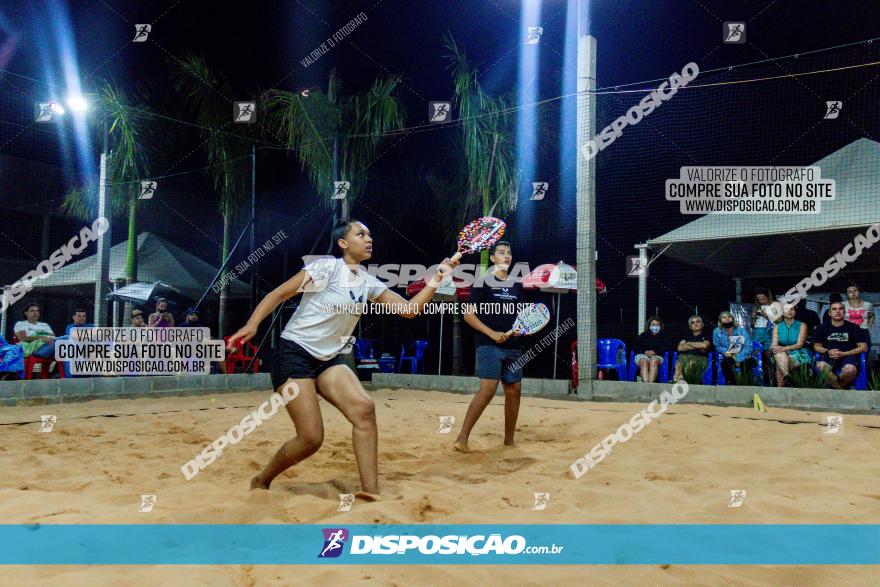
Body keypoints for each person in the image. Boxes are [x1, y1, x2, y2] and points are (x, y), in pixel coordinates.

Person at [227, 218, 458, 495]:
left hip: (329, 359)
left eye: (370, 234)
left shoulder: (368, 282)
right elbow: (279, 293)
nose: (369, 239)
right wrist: (252, 325)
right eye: (361, 234)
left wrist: (437, 277)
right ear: (343, 243)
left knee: (364, 409)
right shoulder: (326, 267)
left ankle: (371, 493)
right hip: (295, 353)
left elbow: (409, 310)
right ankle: (262, 479)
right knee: (311, 438)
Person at [455, 241, 532, 452]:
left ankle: (509, 440)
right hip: (488, 345)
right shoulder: (483, 283)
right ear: (492, 259)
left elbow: (521, 316)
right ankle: (462, 438)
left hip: (513, 346)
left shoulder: (516, 285)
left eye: (509, 252)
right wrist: (491, 333)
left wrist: (519, 329)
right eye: (501, 252)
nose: (506, 256)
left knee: (514, 390)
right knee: (488, 390)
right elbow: (468, 315)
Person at [813, 301, 868, 389]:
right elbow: (816, 346)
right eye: (834, 309)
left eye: (840, 309)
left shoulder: (854, 327)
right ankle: (841, 388)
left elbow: (863, 347)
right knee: (820, 366)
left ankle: (835, 387)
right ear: (829, 313)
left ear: (845, 312)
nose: (838, 311)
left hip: (848, 356)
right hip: (828, 356)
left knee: (850, 370)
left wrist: (845, 354)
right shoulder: (822, 327)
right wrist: (828, 351)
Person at [769, 303, 811, 387]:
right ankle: (788, 376)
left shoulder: (802, 325)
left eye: (792, 309)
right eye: (786, 309)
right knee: (778, 354)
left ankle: (781, 389)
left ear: (795, 311)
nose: (789, 311)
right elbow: (774, 344)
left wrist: (783, 348)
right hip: (782, 354)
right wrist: (773, 348)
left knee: (779, 366)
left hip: (799, 353)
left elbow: (799, 344)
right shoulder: (777, 327)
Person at [713, 310, 755, 384]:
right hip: (729, 357)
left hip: (743, 356)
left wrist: (738, 359)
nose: (727, 319)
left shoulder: (741, 330)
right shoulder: (717, 331)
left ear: (732, 319)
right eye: (724, 317)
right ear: (720, 320)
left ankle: (746, 385)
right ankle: (733, 385)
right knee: (725, 364)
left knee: (748, 364)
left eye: (729, 317)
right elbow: (717, 346)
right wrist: (725, 351)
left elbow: (749, 346)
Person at [751, 288, 783, 383]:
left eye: (763, 299)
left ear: (768, 297)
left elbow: (781, 320)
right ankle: (759, 379)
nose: (761, 301)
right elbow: (752, 325)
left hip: (769, 332)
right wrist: (753, 318)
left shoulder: (775, 306)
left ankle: (772, 380)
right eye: (759, 299)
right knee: (756, 356)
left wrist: (768, 316)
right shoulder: (756, 307)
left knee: (769, 356)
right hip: (758, 332)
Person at [631, 316, 674, 383]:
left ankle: (650, 387)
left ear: (660, 326)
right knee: (643, 361)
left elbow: (669, 348)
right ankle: (647, 386)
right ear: (649, 326)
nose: (655, 326)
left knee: (653, 360)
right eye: (653, 324)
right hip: (642, 355)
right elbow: (635, 346)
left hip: (658, 356)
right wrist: (645, 352)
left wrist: (655, 352)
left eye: (657, 324)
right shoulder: (643, 335)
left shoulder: (665, 336)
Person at [672, 315, 712, 383]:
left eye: (698, 322)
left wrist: (688, 343)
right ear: (690, 326)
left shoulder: (706, 336)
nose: (695, 324)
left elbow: (704, 346)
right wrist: (698, 345)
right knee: (678, 364)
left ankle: (685, 384)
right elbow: (680, 348)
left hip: (700, 359)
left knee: (690, 363)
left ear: (702, 324)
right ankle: (676, 383)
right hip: (684, 358)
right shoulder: (686, 336)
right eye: (693, 323)